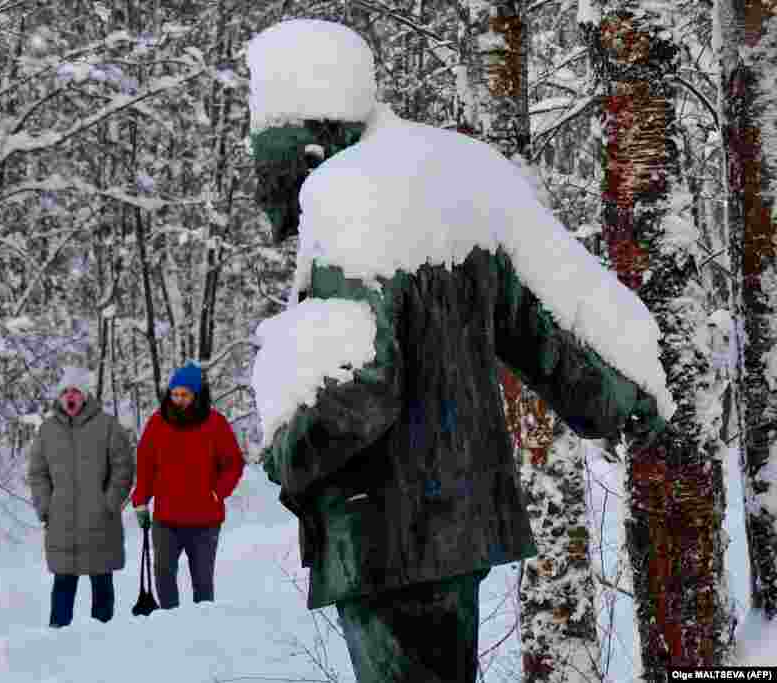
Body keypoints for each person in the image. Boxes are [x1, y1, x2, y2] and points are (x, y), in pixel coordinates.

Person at [246, 19, 671, 683]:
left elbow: (359, 384)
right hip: (461, 529)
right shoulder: (460, 172)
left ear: (304, 142)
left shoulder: (346, 199)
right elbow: (554, 314)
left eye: (263, 158)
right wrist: (631, 398)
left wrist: (287, 450)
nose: (261, 186)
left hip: (382, 535)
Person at [130, 361, 245, 609]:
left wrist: (219, 492)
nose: (178, 399)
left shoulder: (215, 423)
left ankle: (203, 630)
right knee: (163, 574)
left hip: (205, 519)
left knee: (203, 582)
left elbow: (233, 463)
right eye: (174, 394)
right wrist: (140, 500)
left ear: (196, 395)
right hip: (167, 518)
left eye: (184, 394)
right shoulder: (158, 423)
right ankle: (171, 623)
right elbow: (146, 466)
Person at [26, 366, 135, 628]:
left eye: (75, 390)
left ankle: (103, 635)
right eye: (65, 392)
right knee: (63, 581)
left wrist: (109, 502)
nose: (70, 396)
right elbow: (38, 473)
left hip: (100, 520)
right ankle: (58, 635)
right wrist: (46, 507)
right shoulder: (48, 431)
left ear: (85, 395)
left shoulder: (108, 426)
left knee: (102, 580)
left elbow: (124, 467)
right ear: (60, 397)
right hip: (62, 521)